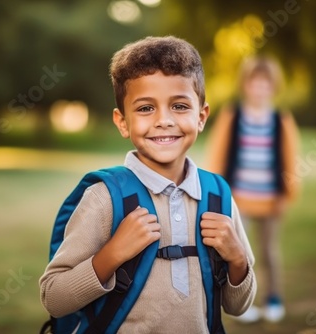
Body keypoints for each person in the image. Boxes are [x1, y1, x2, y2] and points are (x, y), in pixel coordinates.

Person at [39, 36, 257, 333]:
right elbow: (54, 297)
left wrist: (238, 259)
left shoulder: (218, 196)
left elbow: (237, 306)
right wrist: (111, 255)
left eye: (180, 106)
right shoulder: (105, 198)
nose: (164, 120)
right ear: (122, 122)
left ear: (202, 116)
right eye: (145, 109)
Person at [205, 56, 300, 323]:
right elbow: (218, 154)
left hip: (271, 199)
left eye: (265, 84)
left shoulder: (281, 119)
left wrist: (286, 193)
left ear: (273, 87)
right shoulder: (232, 116)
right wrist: (220, 193)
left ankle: (273, 298)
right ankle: (243, 305)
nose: (259, 88)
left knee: (269, 251)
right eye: (254, 83)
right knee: (239, 254)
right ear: (246, 85)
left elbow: (291, 159)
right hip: (239, 200)